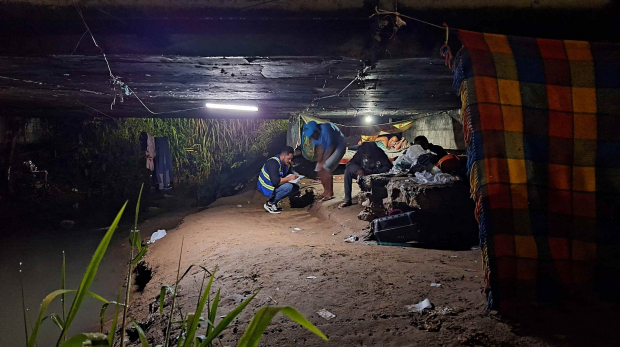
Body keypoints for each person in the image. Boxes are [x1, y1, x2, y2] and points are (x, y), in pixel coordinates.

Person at [339, 142, 392, 208]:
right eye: (365, 155)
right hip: (363, 173)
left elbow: (388, 167)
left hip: (376, 175)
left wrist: (373, 171)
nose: (366, 156)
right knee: (347, 171)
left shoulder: (379, 153)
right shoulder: (360, 152)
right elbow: (350, 164)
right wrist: (358, 169)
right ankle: (347, 199)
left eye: (368, 155)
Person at [303, 120, 346, 201]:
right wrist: (319, 161)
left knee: (326, 167)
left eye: (312, 135)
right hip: (328, 146)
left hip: (338, 145)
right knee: (319, 169)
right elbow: (320, 148)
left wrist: (323, 161)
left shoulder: (327, 129)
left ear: (317, 131)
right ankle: (325, 191)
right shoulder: (314, 135)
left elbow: (331, 147)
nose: (312, 137)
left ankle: (330, 193)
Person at [258, 146, 300, 214]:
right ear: (283, 155)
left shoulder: (285, 163)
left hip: (274, 183)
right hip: (266, 186)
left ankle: (274, 203)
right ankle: (270, 204)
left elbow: (289, 172)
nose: (290, 161)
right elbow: (275, 182)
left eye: (291, 159)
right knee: (288, 187)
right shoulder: (273, 163)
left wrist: (296, 175)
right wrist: (289, 178)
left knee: (296, 187)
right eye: (288, 159)